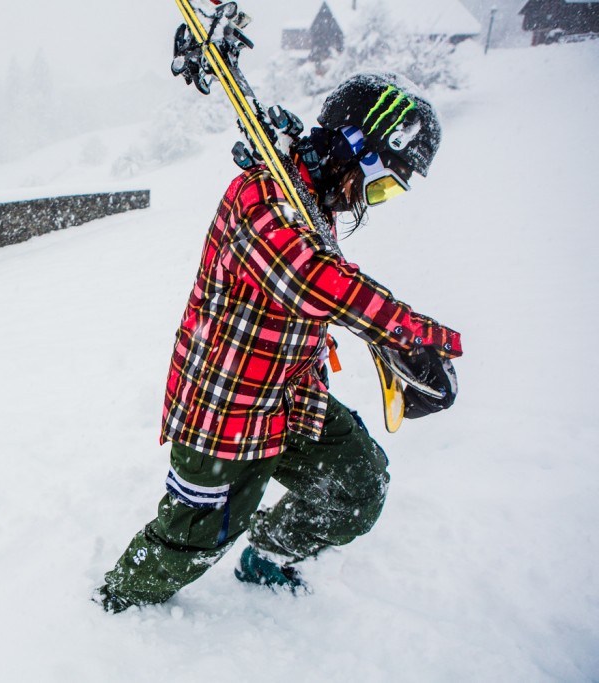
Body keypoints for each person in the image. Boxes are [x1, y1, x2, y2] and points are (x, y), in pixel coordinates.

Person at [93, 73, 464, 613]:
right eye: (380, 182)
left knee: (359, 485)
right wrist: (406, 334)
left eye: (387, 194)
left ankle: (267, 553)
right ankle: (115, 602)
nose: (371, 199)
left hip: (291, 398)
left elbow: (325, 289)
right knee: (195, 539)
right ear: (352, 146)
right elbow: (311, 279)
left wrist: (383, 340)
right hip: (227, 405)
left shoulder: (315, 203)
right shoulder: (260, 194)